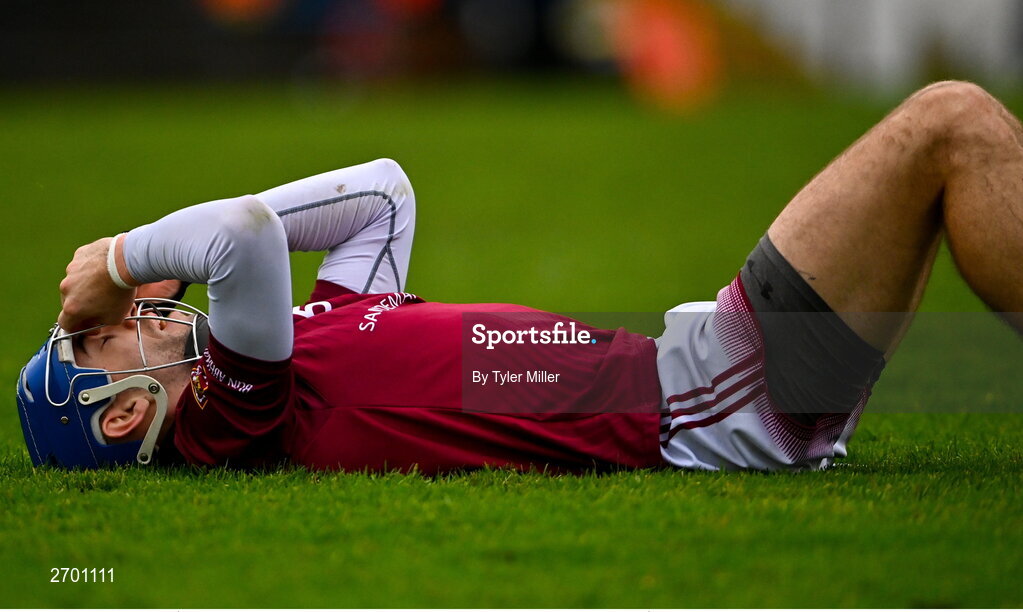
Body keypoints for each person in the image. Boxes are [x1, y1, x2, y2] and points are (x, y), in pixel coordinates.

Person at [16, 80, 1023, 473]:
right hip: (716, 400)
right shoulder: (226, 422)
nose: (136, 315)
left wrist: (142, 267)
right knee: (950, 126)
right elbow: (239, 237)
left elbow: (381, 196)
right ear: (120, 415)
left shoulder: (307, 339)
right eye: (102, 340)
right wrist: (118, 261)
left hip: (704, 373)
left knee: (951, 133)